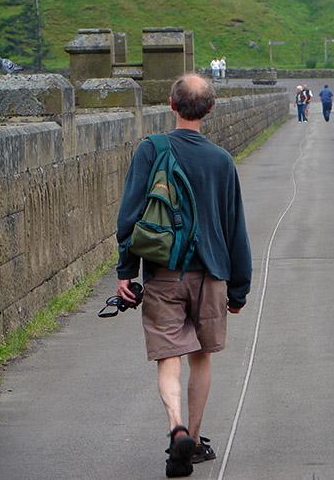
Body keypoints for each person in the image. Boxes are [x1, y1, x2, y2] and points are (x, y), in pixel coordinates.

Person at [116, 74, 252, 478]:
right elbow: (235, 229)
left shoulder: (150, 151)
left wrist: (126, 272)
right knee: (201, 357)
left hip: (163, 274)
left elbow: (130, 216)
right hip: (211, 277)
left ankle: (176, 429)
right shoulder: (222, 160)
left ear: (171, 105)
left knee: (169, 359)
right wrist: (239, 289)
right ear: (210, 110)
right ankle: (194, 438)